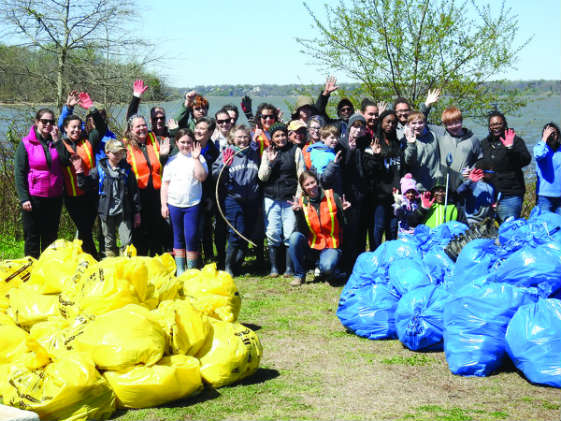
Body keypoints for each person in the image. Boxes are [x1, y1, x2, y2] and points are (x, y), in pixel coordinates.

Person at [58, 92, 106, 258]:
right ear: (65, 129)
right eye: (73, 127)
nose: (77, 130)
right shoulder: (60, 144)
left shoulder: (89, 140)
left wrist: (91, 108)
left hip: (91, 194)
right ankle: (93, 259)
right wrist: (68, 108)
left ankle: (88, 260)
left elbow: (102, 127)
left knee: (86, 230)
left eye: (79, 127)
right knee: (84, 229)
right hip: (72, 196)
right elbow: (62, 159)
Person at [76, 139, 141, 256]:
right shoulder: (99, 169)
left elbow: (134, 193)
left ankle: (126, 268)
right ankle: (111, 267)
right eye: (115, 153)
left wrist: (137, 212)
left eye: (121, 153)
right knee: (109, 242)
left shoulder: (127, 170)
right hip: (106, 212)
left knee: (127, 242)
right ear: (107, 153)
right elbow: (85, 185)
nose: (118, 155)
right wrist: (79, 172)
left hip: (123, 212)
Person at [15, 108, 64, 258]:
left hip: (54, 197)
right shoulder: (26, 143)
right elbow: (19, 172)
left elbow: (65, 161)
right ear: (37, 122)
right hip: (34, 197)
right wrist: (24, 198)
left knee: (50, 238)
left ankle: (46, 273)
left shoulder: (56, 142)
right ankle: (30, 273)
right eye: (44, 121)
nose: (47, 124)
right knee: (32, 237)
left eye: (51, 121)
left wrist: (57, 141)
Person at [288, 171, 350, 286]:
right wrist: (298, 213)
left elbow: (344, 226)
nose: (311, 186)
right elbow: (301, 230)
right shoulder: (302, 202)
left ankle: (328, 269)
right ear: (303, 188)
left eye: (313, 182)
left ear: (317, 181)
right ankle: (299, 275)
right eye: (307, 185)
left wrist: (347, 212)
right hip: (312, 245)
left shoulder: (332, 196)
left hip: (330, 245)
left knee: (327, 266)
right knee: (294, 237)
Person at [258, 122, 305, 277]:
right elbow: (262, 177)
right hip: (271, 198)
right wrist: (270, 163)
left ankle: (289, 268)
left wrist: (298, 198)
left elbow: (301, 175)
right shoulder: (267, 152)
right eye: (277, 136)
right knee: (272, 231)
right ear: (272, 138)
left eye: (283, 135)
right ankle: (274, 268)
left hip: (290, 197)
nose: (281, 138)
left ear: (287, 135)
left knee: (289, 232)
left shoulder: (296, 151)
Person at [213, 125, 260, 276]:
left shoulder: (254, 152)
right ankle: (228, 266)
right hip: (233, 199)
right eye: (239, 137)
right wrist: (224, 165)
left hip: (252, 200)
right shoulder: (227, 152)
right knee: (236, 232)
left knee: (247, 232)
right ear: (232, 139)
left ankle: (238, 265)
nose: (242, 140)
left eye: (245, 136)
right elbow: (215, 175)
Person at [161, 129, 208, 274]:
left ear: (193, 143)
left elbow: (202, 177)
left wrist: (195, 158)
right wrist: (164, 204)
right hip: (174, 204)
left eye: (188, 142)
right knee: (178, 236)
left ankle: (192, 270)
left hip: (192, 204)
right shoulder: (171, 160)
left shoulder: (200, 159)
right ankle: (181, 270)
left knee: (192, 236)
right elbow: (165, 184)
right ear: (177, 143)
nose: (186, 145)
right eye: (182, 142)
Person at [123, 114, 169, 256]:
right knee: (140, 233)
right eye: (138, 126)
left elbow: (177, 139)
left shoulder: (154, 139)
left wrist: (164, 155)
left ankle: (158, 264)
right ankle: (141, 265)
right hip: (137, 195)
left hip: (156, 194)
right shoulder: (126, 145)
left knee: (158, 231)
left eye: (144, 125)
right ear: (130, 129)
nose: (142, 128)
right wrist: (136, 97)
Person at [480, 111, 531, 222]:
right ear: (489, 127)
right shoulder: (484, 143)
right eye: (493, 125)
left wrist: (510, 149)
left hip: (510, 195)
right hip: (489, 195)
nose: (496, 127)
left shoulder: (515, 141)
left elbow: (526, 160)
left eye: (499, 124)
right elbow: (479, 164)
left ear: (504, 124)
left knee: (509, 229)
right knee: (490, 231)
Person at [363, 110, 401, 250]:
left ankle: (390, 257)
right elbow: (369, 170)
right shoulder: (374, 141)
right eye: (387, 122)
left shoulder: (397, 144)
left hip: (394, 194)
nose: (390, 125)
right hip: (378, 195)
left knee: (392, 228)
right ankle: (376, 256)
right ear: (381, 122)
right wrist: (376, 155)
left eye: (393, 122)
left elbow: (399, 168)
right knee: (378, 229)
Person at [193, 117, 221, 264]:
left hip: (206, 193)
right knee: (194, 227)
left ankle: (209, 256)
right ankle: (195, 258)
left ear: (210, 132)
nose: (198, 131)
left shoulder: (214, 151)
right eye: (197, 127)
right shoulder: (189, 145)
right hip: (190, 192)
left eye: (202, 129)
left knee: (206, 227)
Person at [434, 106, 482, 191]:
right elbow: (420, 123)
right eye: (450, 124)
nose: (454, 126)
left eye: (457, 122)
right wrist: (427, 106)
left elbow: (479, 159)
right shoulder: (440, 133)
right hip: (441, 185)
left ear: (461, 121)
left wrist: (471, 170)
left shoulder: (473, 139)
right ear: (444, 125)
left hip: (463, 185)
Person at [402, 111, 442, 192]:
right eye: (413, 123)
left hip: (435, 185)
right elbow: (409, 161)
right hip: (417, 187)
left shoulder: (433, 136)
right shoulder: (405, 140)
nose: (417, 126)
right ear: (408, 124)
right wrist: (411, 143)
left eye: (420, 123)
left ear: (425, 123)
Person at [456, 160, 495, 225]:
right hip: (469, 220)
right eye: (491, 172)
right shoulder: (473, 183)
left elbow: (490, 204)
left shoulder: (491, 187)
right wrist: (469, 181)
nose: (492, 174)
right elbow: (459, 191)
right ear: (483, 172)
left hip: (483, 222)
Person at [534, 122, 561, 215]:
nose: (552, 136)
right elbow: (538, 155)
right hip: (544, 197)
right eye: (549, 134)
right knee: (544, 226)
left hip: (560, 196)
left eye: (554, 134)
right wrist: (544, 139)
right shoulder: (541, 148)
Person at [308, 125, 343, 195]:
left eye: (337, 137)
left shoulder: (328, 150)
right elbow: (321, 179)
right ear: (323, 138)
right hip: (328, 195)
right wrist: (333, 164)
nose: (335, 140)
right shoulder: (322, 154)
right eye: (332, 138)